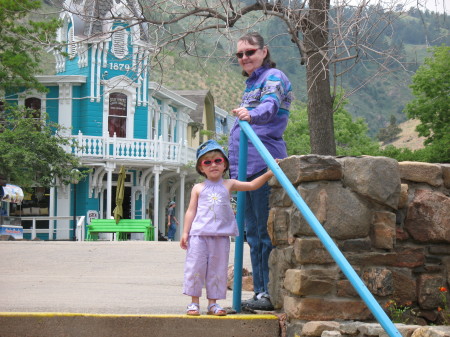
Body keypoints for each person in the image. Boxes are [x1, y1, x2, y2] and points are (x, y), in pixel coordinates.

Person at [228, 32, 292, 311]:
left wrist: (250, 115)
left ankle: (267, 293)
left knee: (264, 232)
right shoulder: (251, 83)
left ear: (264, 51)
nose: (244, 58)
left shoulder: (274, 77)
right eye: (240, 54)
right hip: (245, 167)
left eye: (250, 52)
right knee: (251, 233)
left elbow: (270, 106)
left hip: (264, 164)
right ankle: (260, 292)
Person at [180, 139, 275, 316]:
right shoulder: (198, 188)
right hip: (199, 236)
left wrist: (269, 173)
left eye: (218, 161)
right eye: (207, 162)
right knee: (196, 268)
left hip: (221, 236)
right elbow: (190, 211)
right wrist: (185, 232)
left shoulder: (229, 184)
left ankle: (213, 303)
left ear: (225, 165)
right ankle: (193, 303)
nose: (213, 165)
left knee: (217, 269)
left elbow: (252, 185)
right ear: (201, 168)